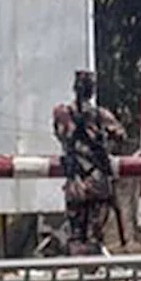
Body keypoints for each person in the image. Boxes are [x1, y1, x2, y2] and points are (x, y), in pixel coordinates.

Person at [52, 69, 127, 256]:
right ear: (92, 91)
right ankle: (90, 273)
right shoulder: (100, 116)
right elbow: (121, 136)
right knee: (95, 235)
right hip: (97, 182)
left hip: (75, 182)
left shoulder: (62, 114)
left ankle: (80, 276)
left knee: (76, 234)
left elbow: (59, 134)